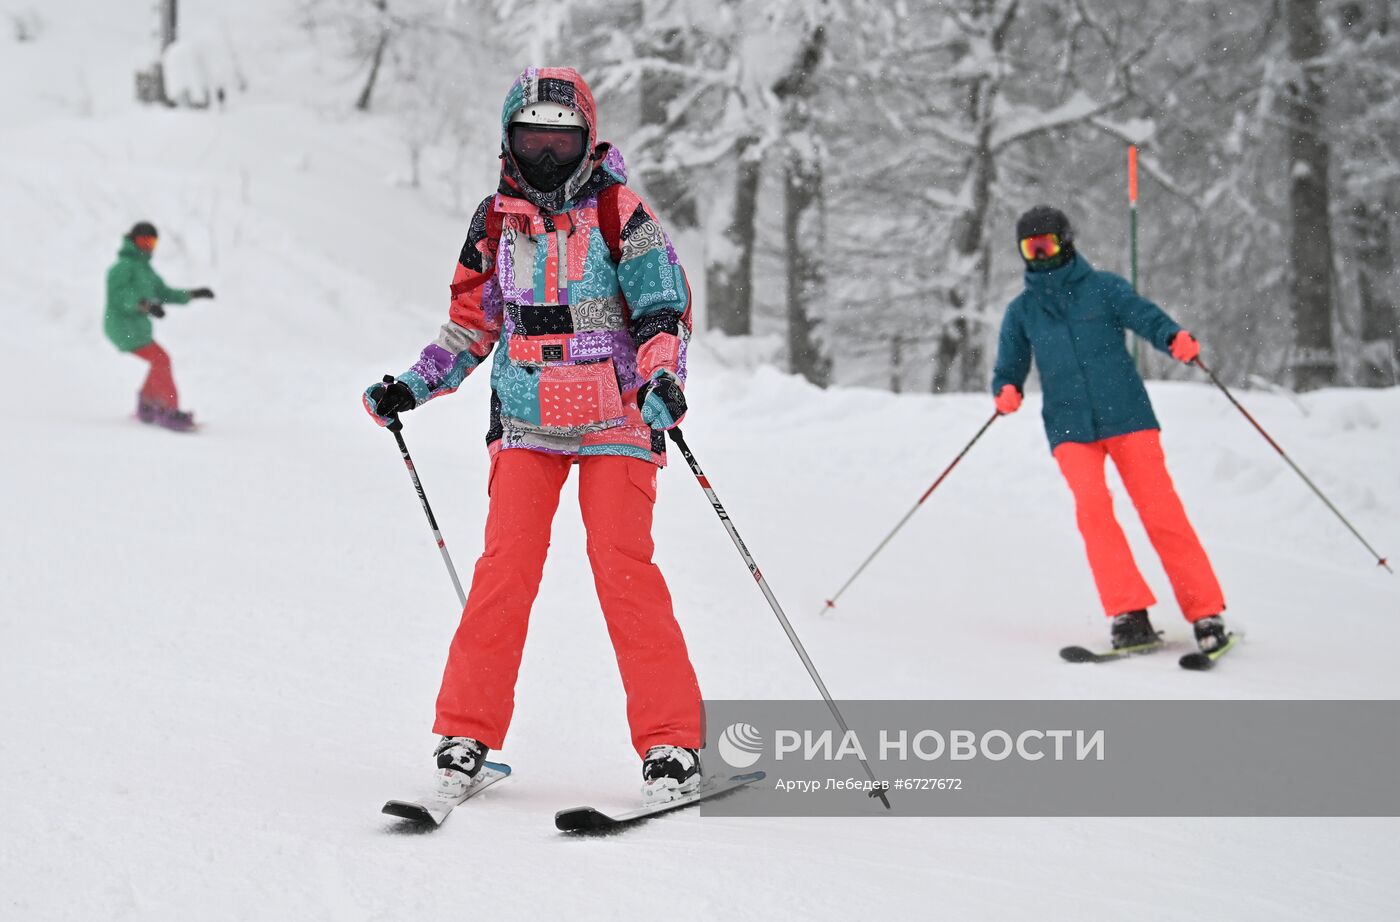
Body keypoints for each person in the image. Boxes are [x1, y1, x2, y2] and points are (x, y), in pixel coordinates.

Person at [363, 67, 704, 804]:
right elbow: (472, 322)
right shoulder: (494, 221)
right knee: (505, 570)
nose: (547, 156)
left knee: (622, 568)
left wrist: (661, 377)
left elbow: (660, 311)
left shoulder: (621, 212)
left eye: (562, 140)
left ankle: (672, 746)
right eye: (532, 139)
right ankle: (465, 736)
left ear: (587, 140)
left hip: (616, 417)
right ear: (508, 140)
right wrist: (414, 385)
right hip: (525, 419)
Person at [990, 205, 1230, 653]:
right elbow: (1009, 363)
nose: (1041, 255)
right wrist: (1005, 388)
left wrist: (1174, 338)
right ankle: (1128, 613)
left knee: (1160, 510)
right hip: (1069, 427)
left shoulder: (1103, 289)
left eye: (1048, 244)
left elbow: (1147, 317)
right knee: (1094, 512)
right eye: (1031, 247)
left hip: (1128, 417)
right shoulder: (1022, 312)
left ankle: (1206, 613)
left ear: (1066, 241)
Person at [103, 222, 215, 431]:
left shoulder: (146, 270)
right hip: (121, 326)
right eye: (143, 241)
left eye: (151, 242)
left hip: (136, 327)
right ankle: (168, 410)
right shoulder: (122, 267)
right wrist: (144, 304)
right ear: (133, 240)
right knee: (161, 359)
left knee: (159, 360)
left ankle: (147, 405)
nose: (147, 246)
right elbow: (119, 296)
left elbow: (164, 293)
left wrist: (192, 294)